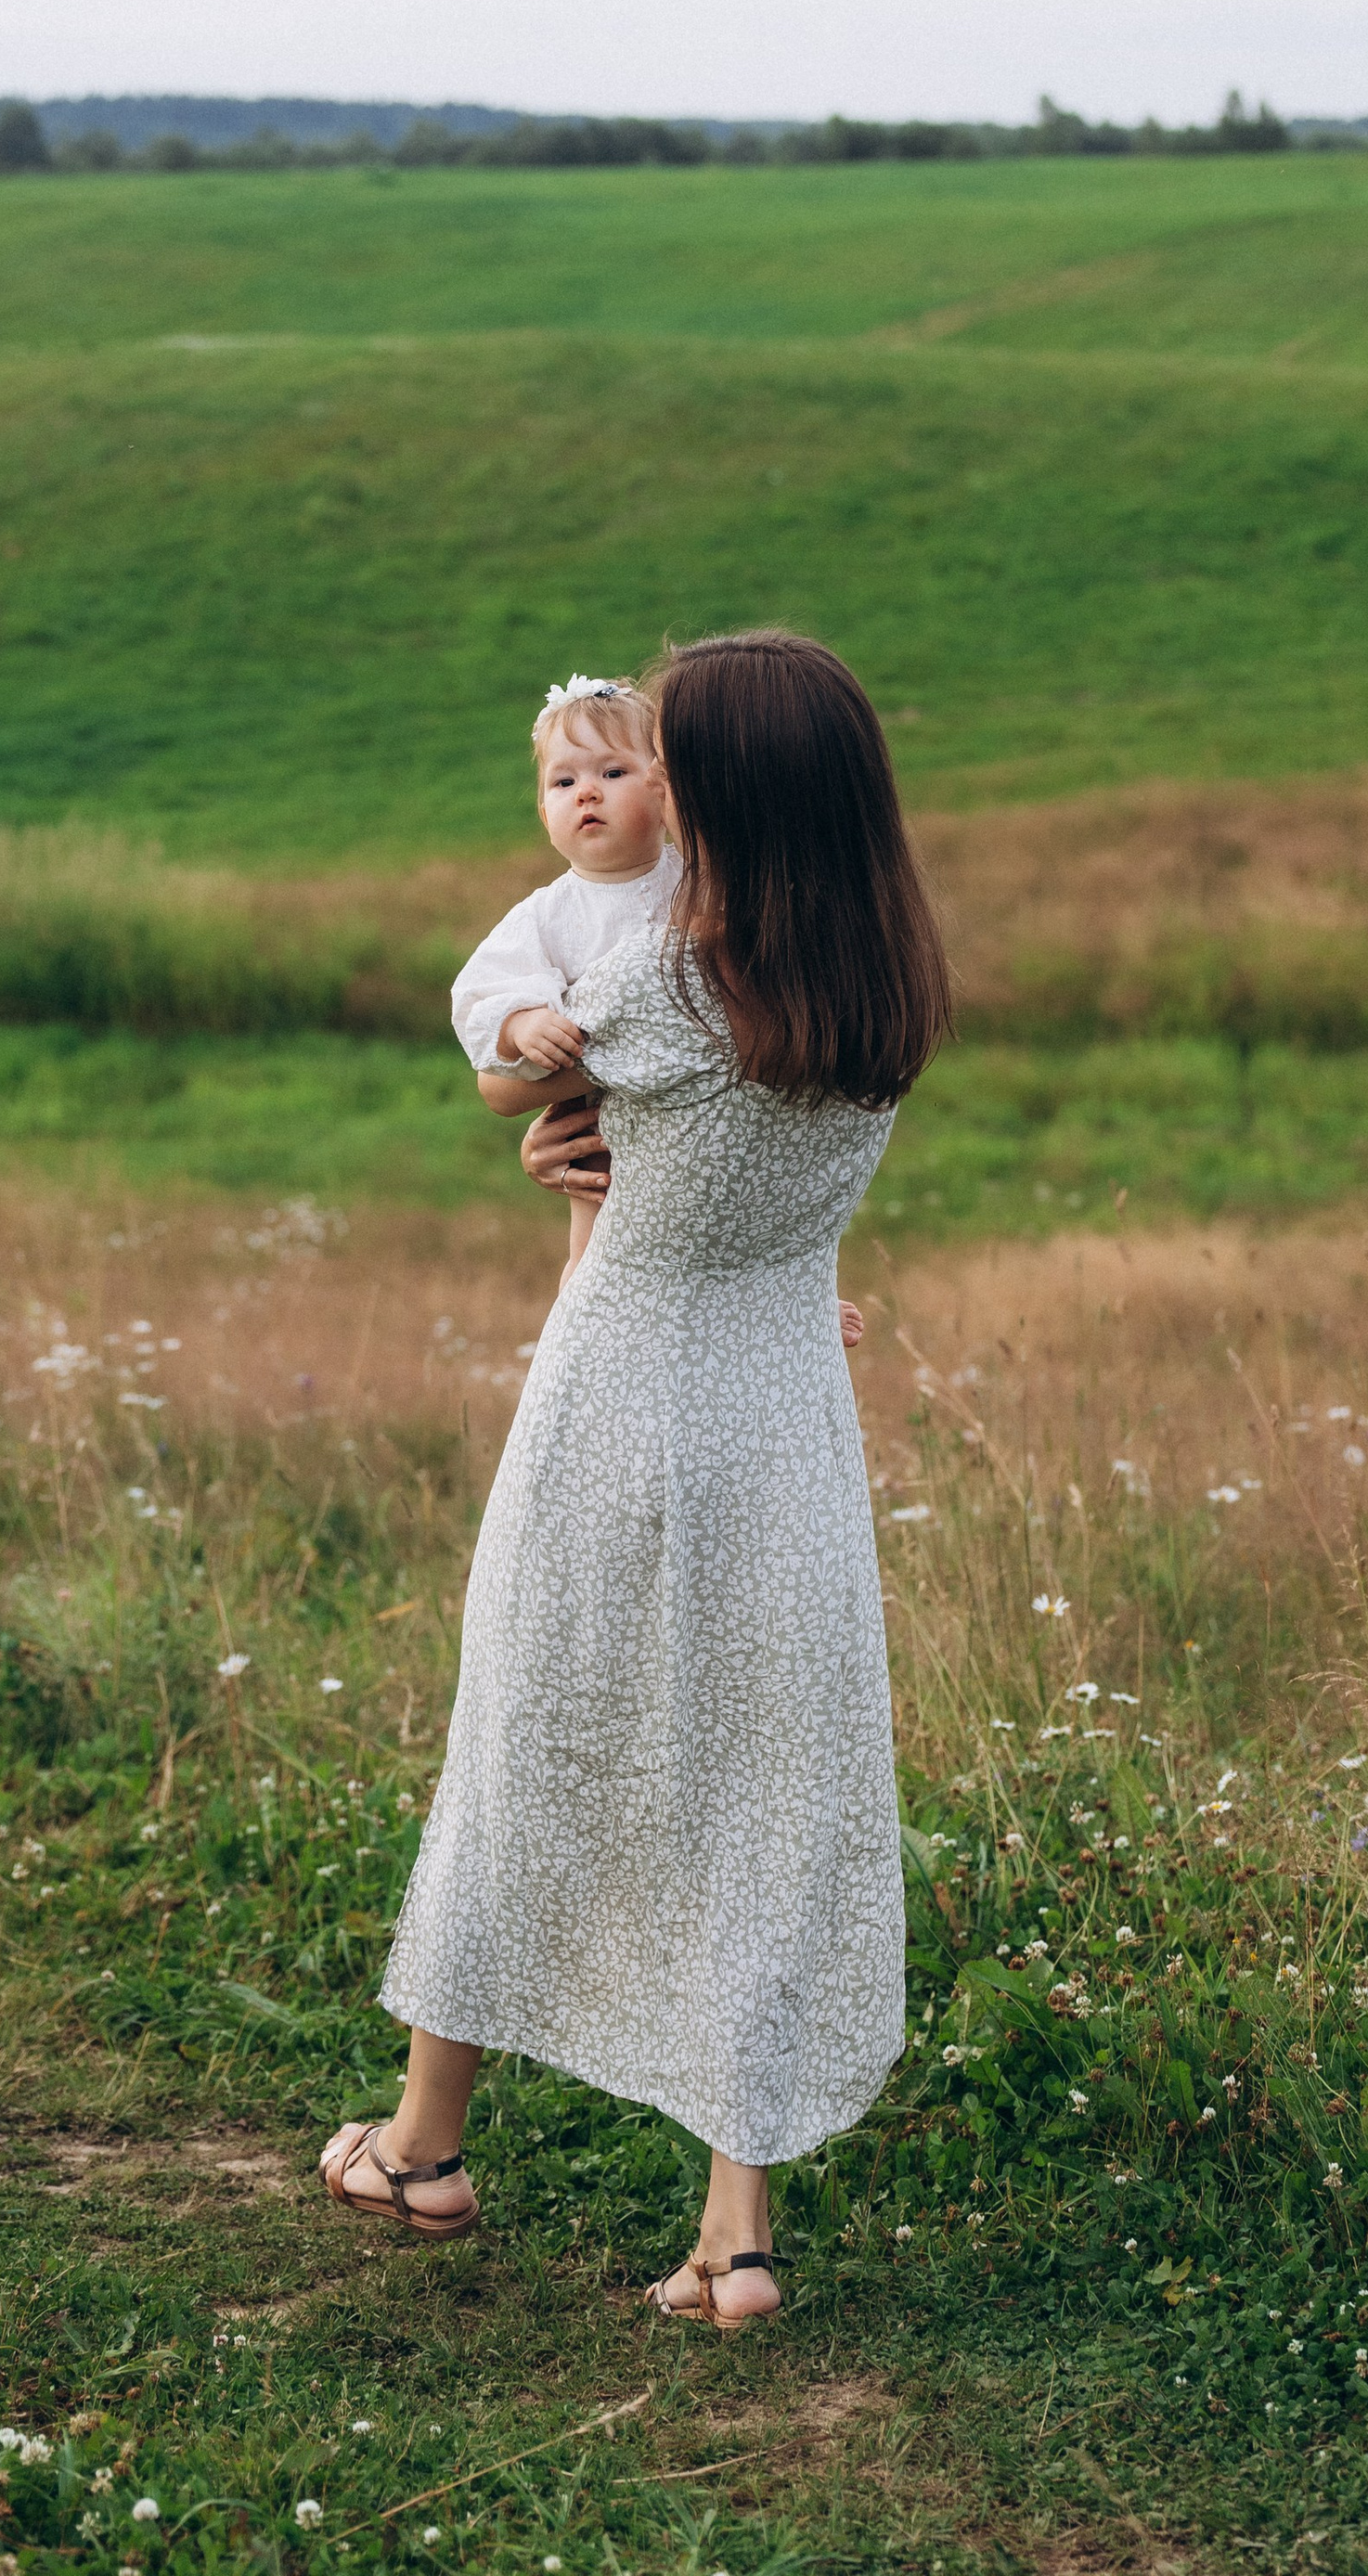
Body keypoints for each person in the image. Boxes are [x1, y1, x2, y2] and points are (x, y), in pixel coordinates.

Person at [322, 628, 951, 2328]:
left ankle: (425, 2143)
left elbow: (507, 1075)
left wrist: (549, 1144)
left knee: (534, 1730)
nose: (640, 776)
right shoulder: (885, 970)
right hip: (786, 1397)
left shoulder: (661, 983)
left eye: (666, 750)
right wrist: (584, 1153)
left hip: (625, 1385)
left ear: (721, 787)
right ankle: (737, 2236)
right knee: (761, 1778)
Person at [447, 673, 679, 1280]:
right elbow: (482, 994)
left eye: (612, 773)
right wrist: (524, 1024)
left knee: (747, 1204)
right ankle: (582, 1316)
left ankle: (797, 1297)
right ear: (543, 809)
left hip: (697, 1111)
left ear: (663, 790)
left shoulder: (695, 882)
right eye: (565, 780)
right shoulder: (547, 915)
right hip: (596, 1124)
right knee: (595, 1247)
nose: (587, 794)